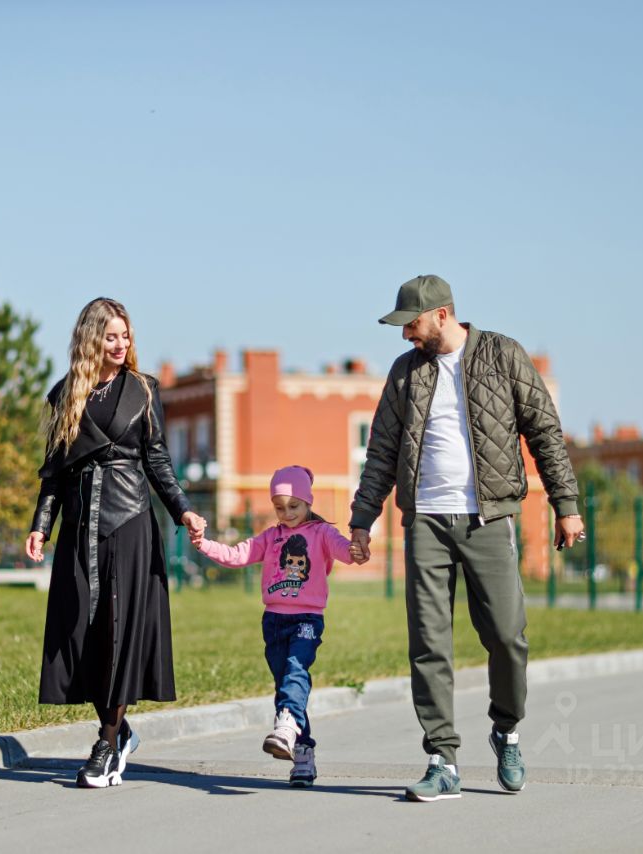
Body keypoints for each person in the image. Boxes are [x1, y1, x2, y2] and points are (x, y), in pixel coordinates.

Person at [349, 274, 584, 802]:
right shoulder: (405, 372)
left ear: (442, 314)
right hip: (426, 521)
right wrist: (363, 518)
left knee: (506, 635)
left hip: (489, 518)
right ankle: (442, 759)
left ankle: (507, 729)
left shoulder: (503, 355)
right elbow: (382, 449)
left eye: (411, 323)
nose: (405, 334)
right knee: (429, 642)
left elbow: (545, 431)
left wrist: (565, 505)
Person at [25, 297, 206, 789]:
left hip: (129, 523)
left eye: (126, 335)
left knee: (119, 633)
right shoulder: (66, 394)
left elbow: (158, 460)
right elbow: (54, 474)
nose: (121, 344)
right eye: (111, 336)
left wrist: (183, 510)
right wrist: (42, 524)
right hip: (79, 526)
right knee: (81, 633)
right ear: (91, 339)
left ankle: (105, 746)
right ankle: (120, 731)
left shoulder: (144, 390)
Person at [191, 465, 363, 788]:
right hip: (273, 621)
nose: (287, 514)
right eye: (279, 507)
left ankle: (286, 725)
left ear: (308, 501)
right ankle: (302, 751)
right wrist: (204, 545)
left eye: (294, 506)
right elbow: (237, 554)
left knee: (296, 669)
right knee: (286, 686)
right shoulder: (271, 537)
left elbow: (345, 551)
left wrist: (357, 549)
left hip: (307, 619)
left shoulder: (321, 533)